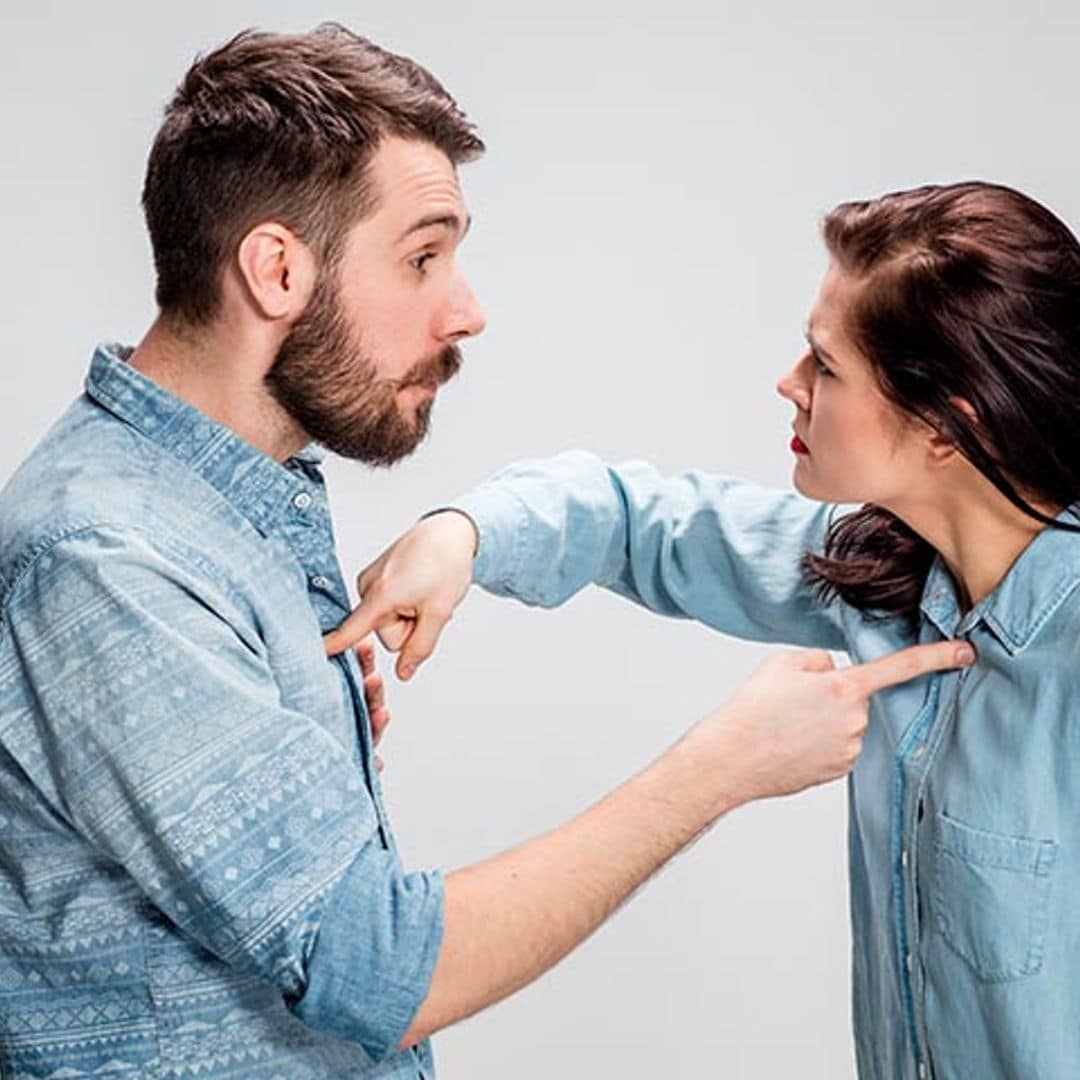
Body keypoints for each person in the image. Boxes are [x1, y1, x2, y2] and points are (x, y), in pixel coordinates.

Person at [0, 24, 971, 1080]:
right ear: (277, 270)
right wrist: (722, 768)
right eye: (423, 256)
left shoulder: (224, 503)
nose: (467, 311)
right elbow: (378, 967)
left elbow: (642, 519)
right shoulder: (109, 556)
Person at [332, 181, 1080, 1079]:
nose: (789, 384)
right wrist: (464, 533)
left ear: (946, 426)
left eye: (825, 367)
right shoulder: (878, 579)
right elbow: (638, 520)